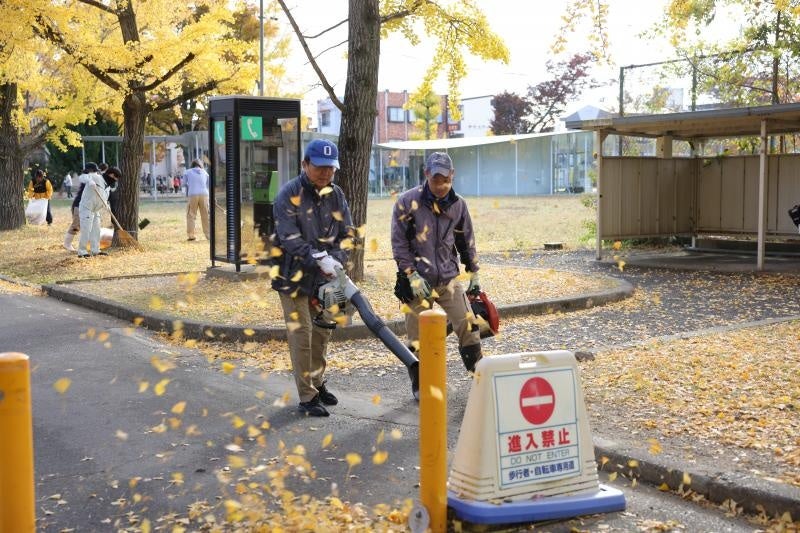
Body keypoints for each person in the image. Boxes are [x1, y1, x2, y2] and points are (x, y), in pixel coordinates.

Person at [271, 139, 355, 417]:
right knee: (302, 334)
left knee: (323, 332)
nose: (326, 174)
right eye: (320, 168)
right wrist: (320, 258)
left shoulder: (337, 194)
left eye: (331, 168)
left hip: (328, 278)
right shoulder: (288, 194)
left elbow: (347, 234)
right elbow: (289, 238)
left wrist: (337, 260)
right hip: (293, 277)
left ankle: (318, 383)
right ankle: (307, 396)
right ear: (305, 164)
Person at [391, 151, 483, 374]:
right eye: (436, 180)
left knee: (469, 326)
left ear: (452, 175)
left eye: (446, 180)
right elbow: (399, 242)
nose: (441, 186)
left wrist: (473, 272)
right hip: (417, 282)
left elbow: (465, 239)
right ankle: (420, 384)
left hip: (447, 279)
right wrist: (410, 274)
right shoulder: (407, 202)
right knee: (416, 339)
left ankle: (477, 376)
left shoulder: (458, 205)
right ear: (426, 175)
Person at [77, 162, 117, 258]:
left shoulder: (107, 187)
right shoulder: (94, 177)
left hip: (96, 210)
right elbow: (82, 177)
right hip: (87, 208)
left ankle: (95, 250)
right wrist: (90, 181)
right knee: (86, 230)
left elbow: (103, 197)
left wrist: (106, 204)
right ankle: (82, 251)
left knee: (96, 231)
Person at [183, 160, 210, 241]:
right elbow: (207, 185)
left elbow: (183, 183)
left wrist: (190, 184)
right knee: (205, 215)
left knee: (191, 214)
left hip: (193, 194)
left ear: (192, 165)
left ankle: (191, 235)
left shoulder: (187, 172)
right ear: (200, 165)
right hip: (204, 194)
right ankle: (208, 234)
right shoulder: (205, 172)